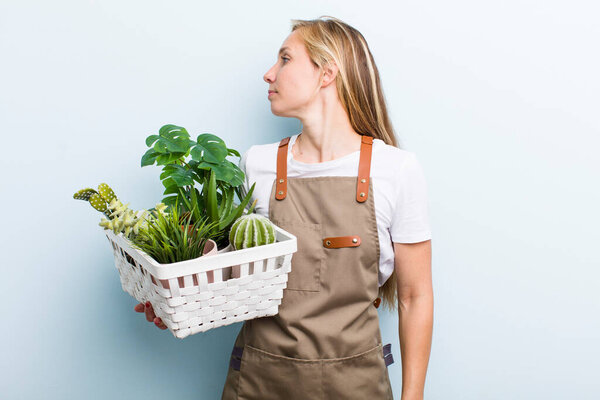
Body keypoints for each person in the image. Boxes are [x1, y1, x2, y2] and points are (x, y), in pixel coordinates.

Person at [136, 15, 433, 400]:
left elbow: (415, 298)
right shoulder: (256, 165)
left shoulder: (395, 170)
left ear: (326, 73)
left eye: (285, 59)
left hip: (356, 385)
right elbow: (230, 273)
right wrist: (176, 301)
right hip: (258, 381)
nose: (269, 73)